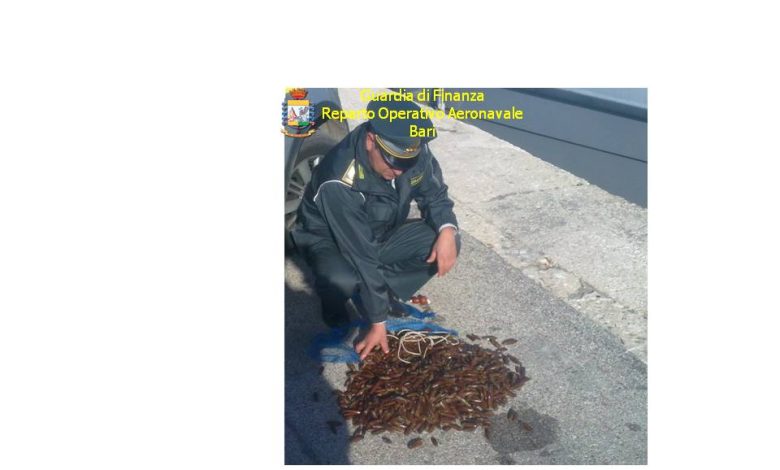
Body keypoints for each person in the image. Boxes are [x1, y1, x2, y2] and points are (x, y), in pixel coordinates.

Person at [291, 97, 460, 361]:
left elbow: (434, 194)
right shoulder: (339, 180)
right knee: (342, 279)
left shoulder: (412, 150)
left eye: (405, 163)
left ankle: (383, 288)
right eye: (392, 161)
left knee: (443, 240)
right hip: (330, 239)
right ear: (371, 140)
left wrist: (448, 229)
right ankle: (334, 306)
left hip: (380, 230)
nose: (398, 170)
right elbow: (362, 253)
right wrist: (378, 322)